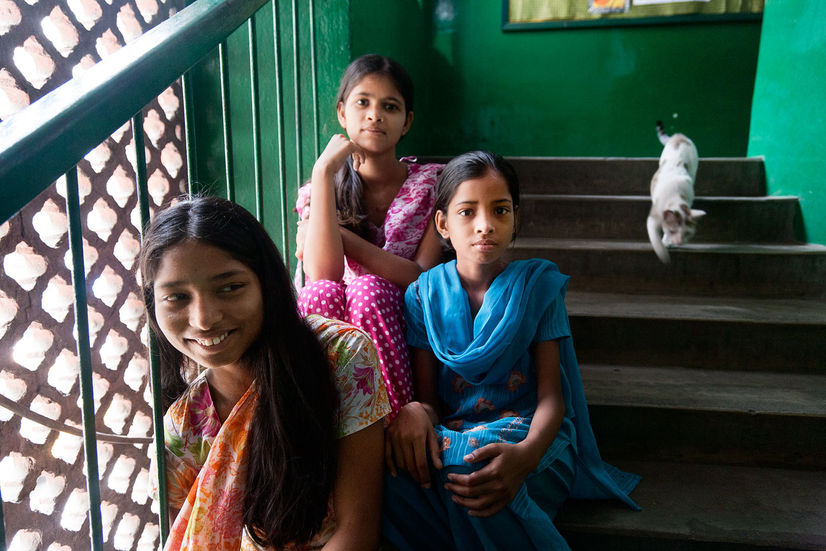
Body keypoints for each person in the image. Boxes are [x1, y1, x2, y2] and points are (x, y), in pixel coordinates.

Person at [382, 151, 640, 550]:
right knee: (393, 477)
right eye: (467, 212)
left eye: (500, 210)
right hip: (458, 435)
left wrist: (527, 456)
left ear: (515, 219)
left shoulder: (537, 287)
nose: (485, 225)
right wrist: (416, 410)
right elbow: (431, 402)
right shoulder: (422, 296)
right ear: (442, 224)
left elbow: (552, 399)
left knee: (472, 471)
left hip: (532, 435)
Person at [141, 196, 390, 551]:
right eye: (177, 298)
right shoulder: (181, 434)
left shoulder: (341, 357)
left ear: (266, 285)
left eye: (230, 287)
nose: (204, 319)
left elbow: (357, 532)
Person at [295, 54, 444, 419]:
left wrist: (343, 238)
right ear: (342, 113)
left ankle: (392, 425)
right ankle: (326, 424)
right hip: (340, 322)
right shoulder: (321, 187)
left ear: (407, 122)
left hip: (408, 322)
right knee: (319, 293)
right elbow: (323, 274)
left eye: (389, 107)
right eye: (363, 102)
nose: (374, 115)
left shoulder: (433, 185)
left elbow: (420, 277)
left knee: (368, 291)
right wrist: (323, 171)